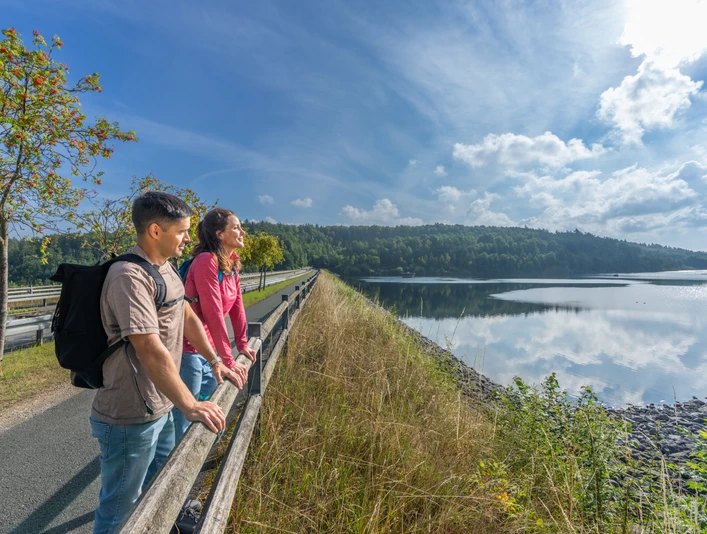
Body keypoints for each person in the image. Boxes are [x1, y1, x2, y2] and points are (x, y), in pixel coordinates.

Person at [90, 192, 247, 534]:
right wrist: (190, 404)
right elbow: (149, 348)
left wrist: (216, 359)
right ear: (156, 232)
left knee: (159, 487)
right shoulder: (129, 276)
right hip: (131, 414)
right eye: (182, 231)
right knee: (119, 510)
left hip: (159, 405)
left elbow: (187, 314)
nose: (189, 238)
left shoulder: (166, 268)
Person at [173, 208, 257, 441]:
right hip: (188, 351)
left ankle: (196, 462)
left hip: (211, 353)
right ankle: (173, 473)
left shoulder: (231, 265)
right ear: (220, 234)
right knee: (184, 419)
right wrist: (227, 361)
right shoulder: (205, 261)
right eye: (236, 227)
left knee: (213, 409)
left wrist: (241, 345)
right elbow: (213, 314)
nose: (242, 232)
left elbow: (237, 308)